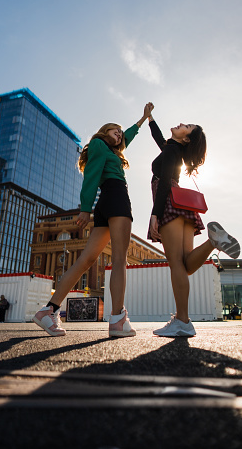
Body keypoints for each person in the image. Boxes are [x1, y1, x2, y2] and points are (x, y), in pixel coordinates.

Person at [33, 102, 154, 338]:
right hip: (116, 198)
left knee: (86, 260)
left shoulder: (111, 150)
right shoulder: (100, 145)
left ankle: (49, 311)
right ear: (103, 132)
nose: (119, 134)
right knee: (119, 260)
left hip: (106, 203)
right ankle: (118, 319)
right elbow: (91, 175)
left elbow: (128, 136)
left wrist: (142, 119)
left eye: (120, 133)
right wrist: (84, 209)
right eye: (114, 130)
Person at [147, 114, 241, 337]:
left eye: (186, 127)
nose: (181, 123)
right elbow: (161, 140)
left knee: (176, 265)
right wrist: (150, 119)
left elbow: (163, 184)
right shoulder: (173, 149)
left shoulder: (172, 151)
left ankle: (182, 321)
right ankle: (213, 241)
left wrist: (155, 214)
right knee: (186, 265)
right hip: (183, 205)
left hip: (168, 201)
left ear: (186, 139)